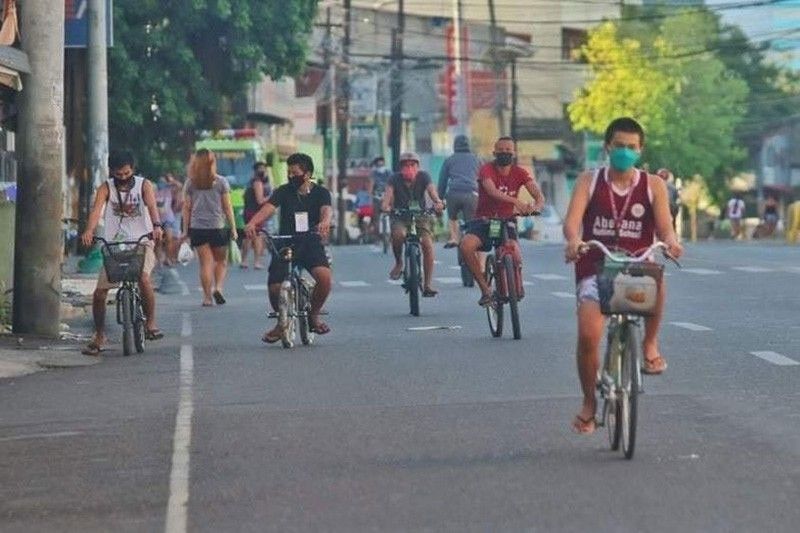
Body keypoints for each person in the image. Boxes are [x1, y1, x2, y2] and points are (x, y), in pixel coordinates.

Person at [563, 117, 683, 435]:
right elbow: (572, 222)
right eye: (619, 146)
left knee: (657, 279)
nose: (625, 152)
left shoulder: (653, 185)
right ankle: (589, 405)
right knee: (588, 335)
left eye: (632, 147)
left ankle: (650, 346)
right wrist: (574, 241)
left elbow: (666, 226)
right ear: (607, 147)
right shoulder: (590, 181)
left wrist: (671, 243)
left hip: (637, 263)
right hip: (596, 265)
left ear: (640, 150)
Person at [80, 150, 164, 356]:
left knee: (143, 279)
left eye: (127, 174)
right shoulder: (105, 188)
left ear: (132, 170)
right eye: (119, 175)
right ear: (112, 172)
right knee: (99, 293)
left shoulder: (144, 185)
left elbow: (152, 207)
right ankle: (99, 334)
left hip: (142, 242)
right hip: (114, 245)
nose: (123, 179)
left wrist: (157, 226)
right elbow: (96, 211)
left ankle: (150, 323)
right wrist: (89, 231)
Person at [244, 152, 334, 340]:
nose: (291, 176)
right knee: (275, 286)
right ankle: (281, 322)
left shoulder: (321, 192)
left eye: (295, 172)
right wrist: (253, 223)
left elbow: (326, 210)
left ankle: (313, 315)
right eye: (289, 172)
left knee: (324, 279)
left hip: (310, 242)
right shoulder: (283, 191)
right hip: (286, 241)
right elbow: (268, 208)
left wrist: (325, 222)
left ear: (307, 174)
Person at [459, 137, 545, 306]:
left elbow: (538, 194)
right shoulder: (486, 170)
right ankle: (485, 290)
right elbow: (491, 191)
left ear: (514, 153)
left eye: (508, 150)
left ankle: (516, 285)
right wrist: (515, 202)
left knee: (513, 250)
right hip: (485, 220)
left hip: (507, 221)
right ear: (494, 152)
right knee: (466, 246)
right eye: (501, 150)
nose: (505, 153)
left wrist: (537, 206)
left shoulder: (520, 172)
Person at [381, 151, 445, 297]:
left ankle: (427, 284)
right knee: (398, 235)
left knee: (427, 244)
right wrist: (386, 207)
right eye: (405, 165)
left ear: (418, 166)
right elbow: (387, 197)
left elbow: (432, 192)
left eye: (412, 165)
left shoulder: (424, 176)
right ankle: (399, 262)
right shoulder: (394, 179)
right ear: (400, 167)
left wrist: (438, 203)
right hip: (400, 216)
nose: (409, 168)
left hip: (420, 216)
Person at [182, 149, 238, 307]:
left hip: (197, 228)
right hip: (217, 227)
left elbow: (186, 208)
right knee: (221, 261)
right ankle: (218, 287)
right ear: (212, 162)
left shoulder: (191, 182)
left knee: (205, 263)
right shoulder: (221, 181)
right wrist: (233, 228)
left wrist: (185, 230)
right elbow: (227, 207)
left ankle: (207, 298)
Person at [438, 134, 482, 248]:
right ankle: (472, 241)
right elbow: (484, 179)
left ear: (454, 146)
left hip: (454, 193)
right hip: (472, 194)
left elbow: (443, 181)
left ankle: (454, 238)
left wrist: (439, 199)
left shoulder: (449, 160)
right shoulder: (477, 159)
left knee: (453, 217)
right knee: (472, 223)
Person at [241, 161, 273, 269]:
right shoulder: (258, 183)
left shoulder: (251, 182)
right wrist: (272, 197)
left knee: (249, 236)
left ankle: (244, 261)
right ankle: (256, 262)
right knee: (256, 236)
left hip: (249, 211)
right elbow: (260, 200)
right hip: (255, 212)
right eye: (263, 169)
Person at [155, 176, 178, 266]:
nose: (162, 184)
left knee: (169, 239)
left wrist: (171, 181)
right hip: (158, 220)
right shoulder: (154, 192)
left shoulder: (169, 191)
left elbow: (179, 186)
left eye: (163, 182)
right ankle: (159, 259)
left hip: (168, 218)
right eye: (160, 182)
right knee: (158, 241)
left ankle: (168, 259)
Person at [657, 168, 680, 232]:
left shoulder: (655, 185)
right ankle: (673, 230)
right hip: (671, 208)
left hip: (660, 207)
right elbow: (676, 197)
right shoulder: (672, 187)